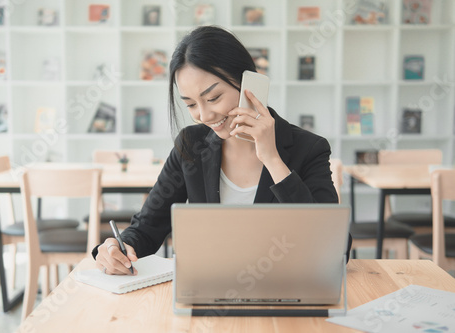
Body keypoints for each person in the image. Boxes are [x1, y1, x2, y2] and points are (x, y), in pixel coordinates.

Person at [93, 26, 351, 275]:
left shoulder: (309, 148)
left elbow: (334, 248)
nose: (204, 115)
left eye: (213, 98)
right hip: (210, 288)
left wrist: (272, 159)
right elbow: (147, 228)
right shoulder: (191, 146)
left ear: (249, 84)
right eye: (191, 104)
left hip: (285, 289)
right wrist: (118, 247)